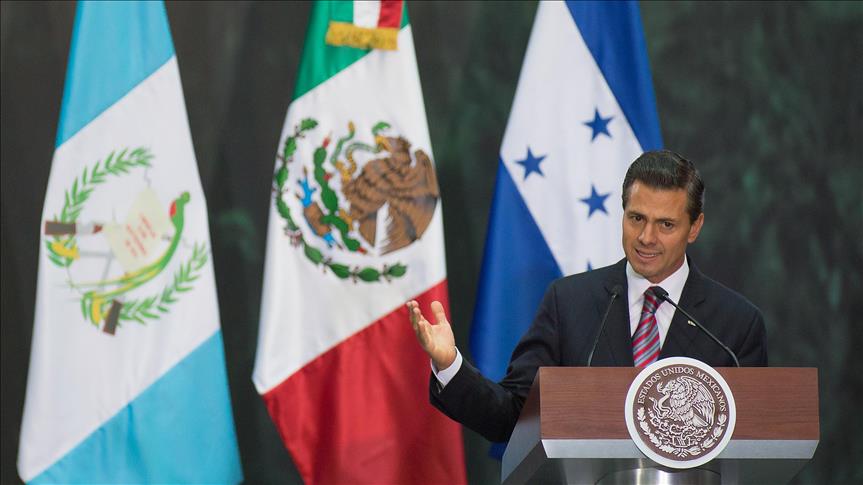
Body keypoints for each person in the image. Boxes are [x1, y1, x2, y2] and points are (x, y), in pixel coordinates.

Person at [407, 150, 768, 443]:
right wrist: (450, 364)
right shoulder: (570, 302)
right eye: (636, 218)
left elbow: (754, 442)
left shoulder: (735, 324)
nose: (646, 237)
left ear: (695, 227)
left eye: (666, 224)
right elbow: (512, 418)